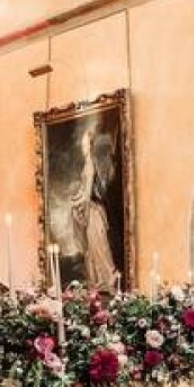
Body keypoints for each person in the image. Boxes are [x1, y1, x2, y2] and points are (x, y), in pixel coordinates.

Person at [66, 121, 119, 288]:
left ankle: (107, 282)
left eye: (84, 144)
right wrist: (76, 200)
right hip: (91, 209)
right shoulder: (88, 163)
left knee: (98, 248)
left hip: (94, 212)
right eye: (82, 144)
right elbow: (83, 191)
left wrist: (77, 202)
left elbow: (87, 194)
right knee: (93, 250)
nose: (82, 147)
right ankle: (99, 283)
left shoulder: (90, 164)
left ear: (90, 146)